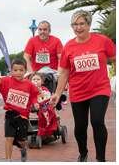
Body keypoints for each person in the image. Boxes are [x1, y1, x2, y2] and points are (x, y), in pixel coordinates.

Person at [50, 10, 116, 162]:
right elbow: (65, 73)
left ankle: (101, 159)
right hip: (78, 91)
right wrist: (57, 94)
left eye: (81, 24)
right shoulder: (69, 46)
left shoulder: (102, 40)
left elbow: (114, 58)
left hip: (100, 89)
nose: (78, 27)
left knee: (97, 121)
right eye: (75, 24)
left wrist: (114, 76)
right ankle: (83, 152)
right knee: (80, 127)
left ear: (88, 25)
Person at [0, 58, 39, 162]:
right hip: (10, 114)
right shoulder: (7, 81)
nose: (18, 73)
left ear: (25, 71)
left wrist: (35, 103)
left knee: (21, 140)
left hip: (23, 117)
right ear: (11, 71)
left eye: (21, 70)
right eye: (15, 70)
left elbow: (34, 95)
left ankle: (23, 149)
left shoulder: (29, 84)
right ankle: (8, 160)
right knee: (9, 138)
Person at [30, 72, 57, 137]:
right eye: (34, 79)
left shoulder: (44, 89)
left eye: (38, 79)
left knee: (47, 109)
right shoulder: (30, 89)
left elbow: (47, 96)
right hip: (32, 105)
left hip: (43, 105)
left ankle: (46, 127)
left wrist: (40, 92)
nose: (36, 81)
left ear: (42, 82)